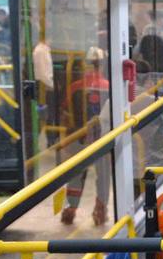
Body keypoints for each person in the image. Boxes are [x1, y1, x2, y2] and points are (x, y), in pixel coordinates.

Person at [61, 46, 110, 226]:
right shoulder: (110, 88)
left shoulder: (74, 87)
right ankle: (100, 211)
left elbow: (65, 112)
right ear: (102, 64)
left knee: (75, 174)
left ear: (86, 64)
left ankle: (70, 210)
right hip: (102, 139)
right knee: (103, 175)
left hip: (77, 138)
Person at [32, 34, 56, 145]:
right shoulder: (41, 51)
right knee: (47, 115)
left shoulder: (44, 49)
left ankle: (50, 140)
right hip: (44, 85)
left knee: (48, 114)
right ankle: (48, 141)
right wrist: (50, 85)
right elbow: (42, 73)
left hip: (45, 84)